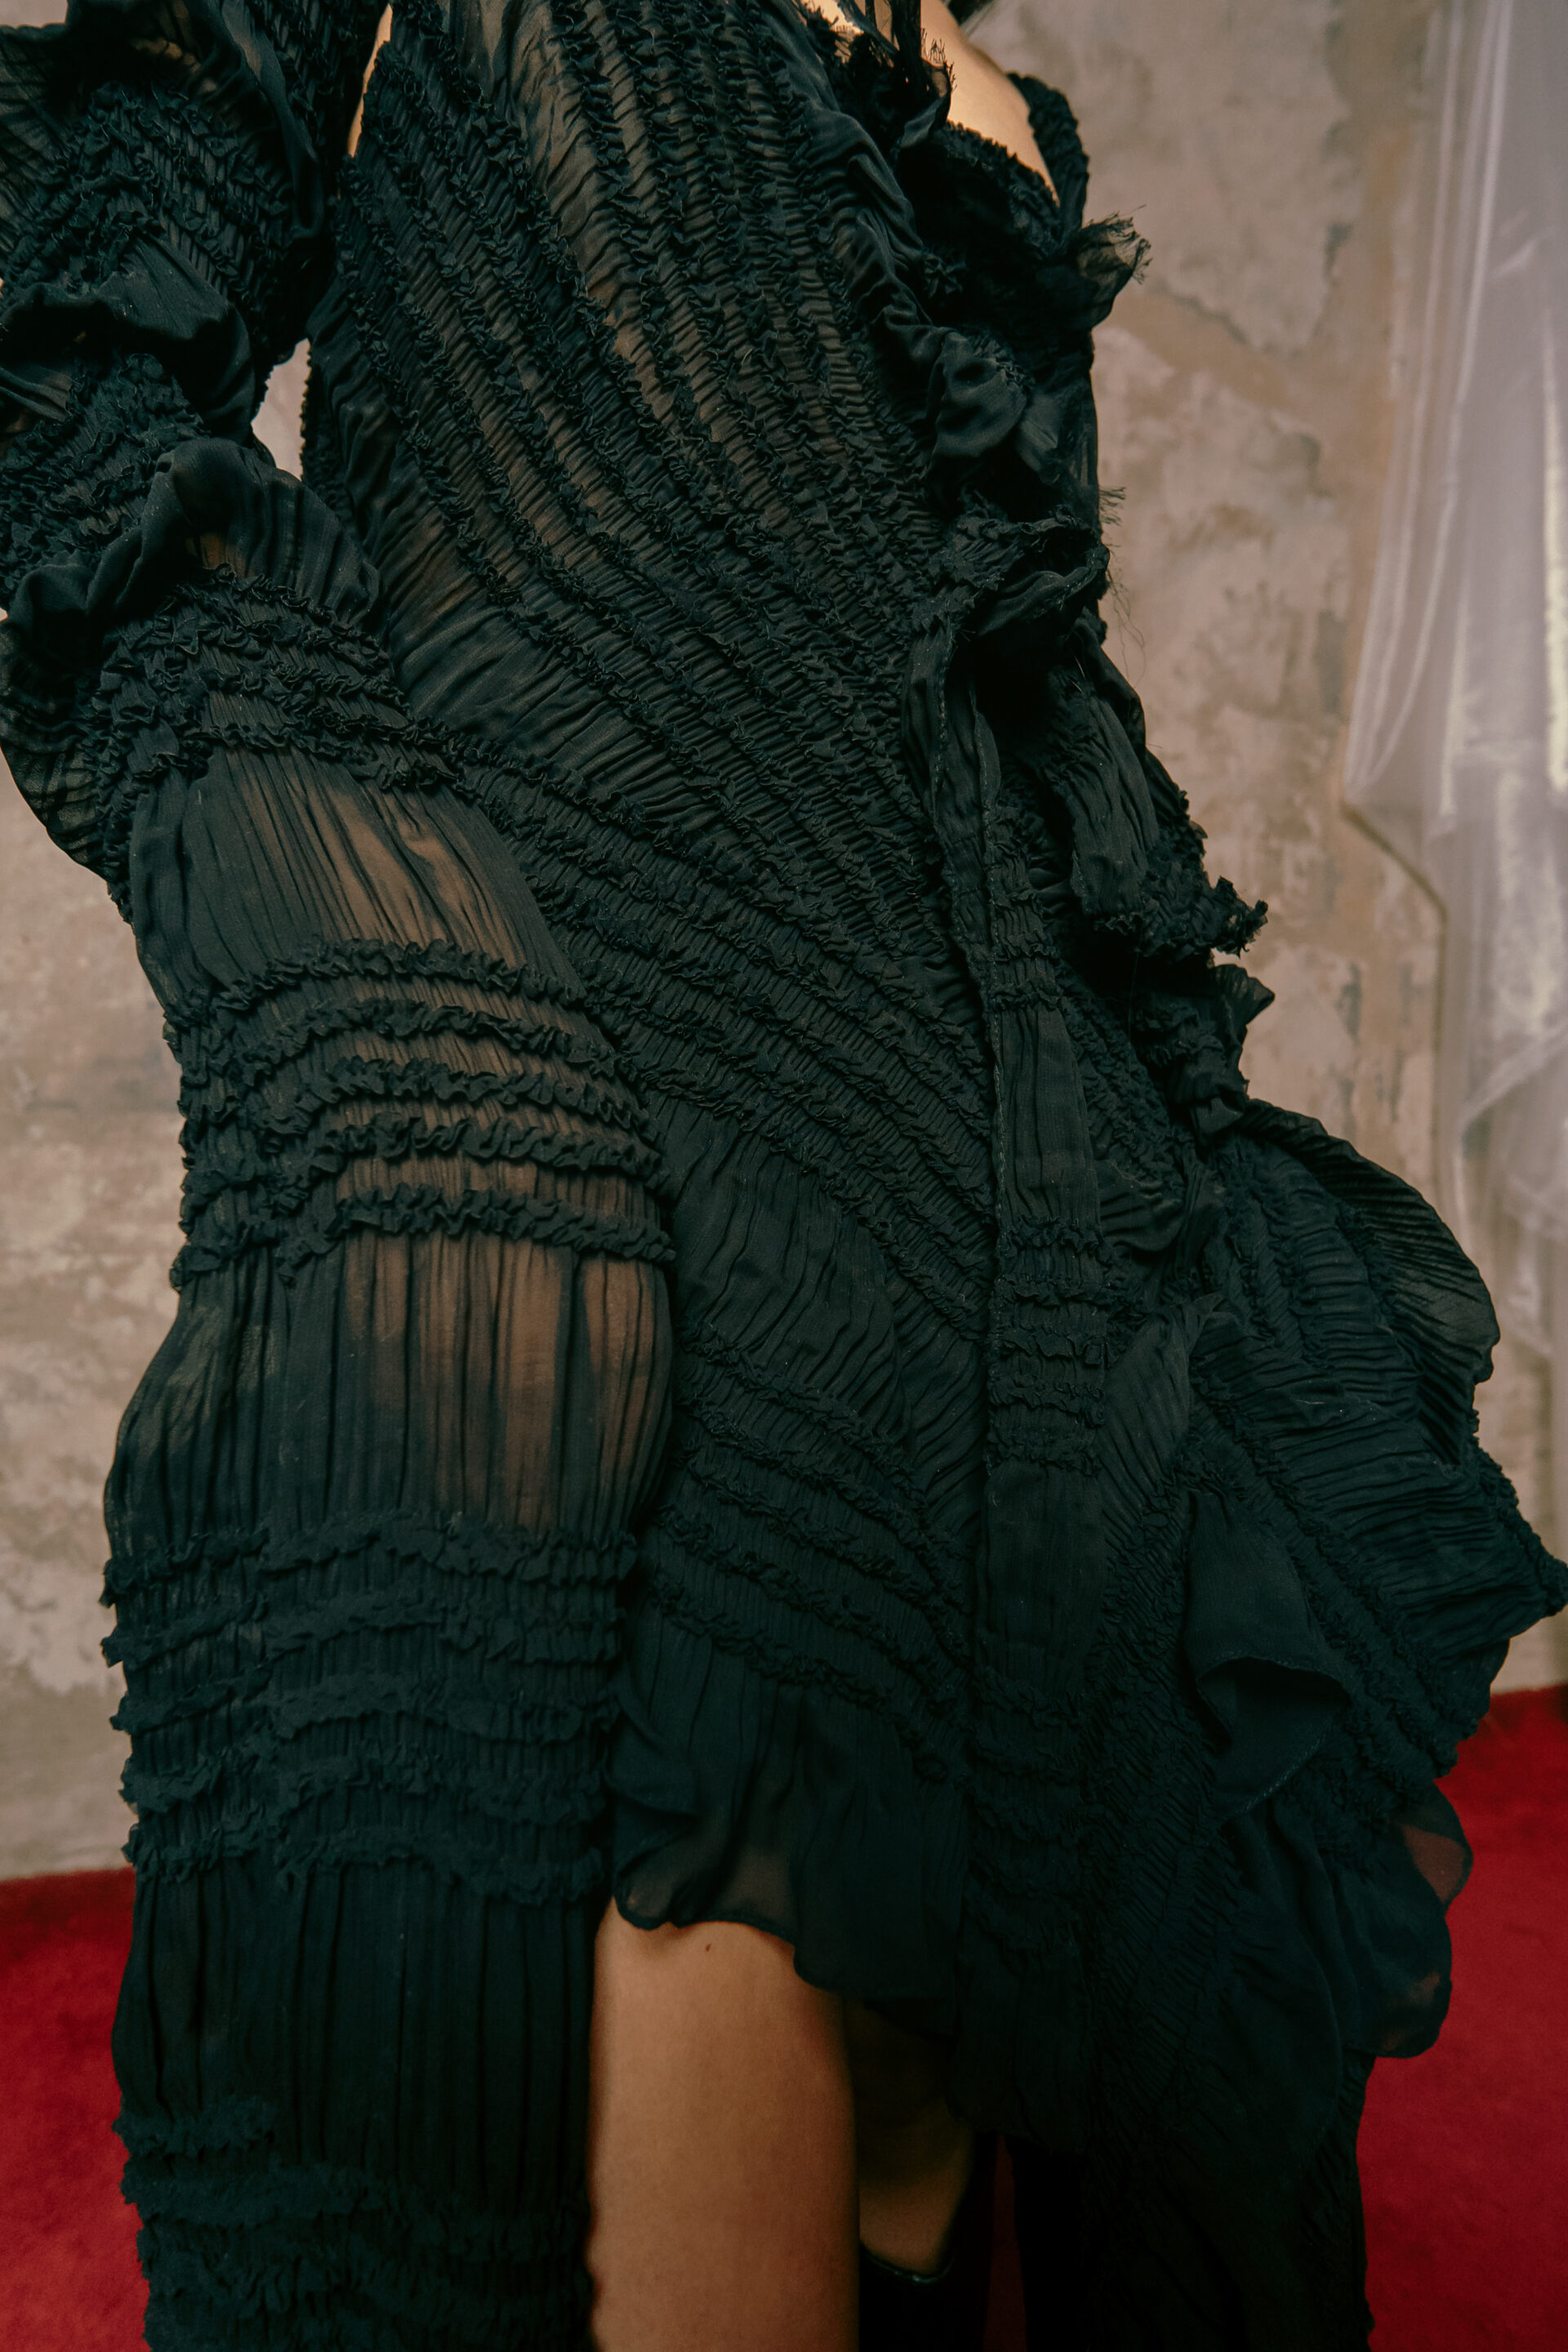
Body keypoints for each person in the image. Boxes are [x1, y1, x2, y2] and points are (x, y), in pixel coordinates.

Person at [0, 2, 1559, 2347]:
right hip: (626, 1158)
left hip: (1000, 1227)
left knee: (974, 2139)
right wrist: (374, 931)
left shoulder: (992, 90)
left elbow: (1012, 680)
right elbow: (71, 375)